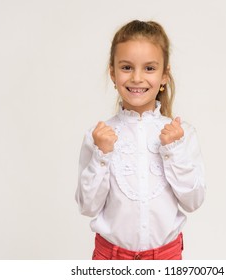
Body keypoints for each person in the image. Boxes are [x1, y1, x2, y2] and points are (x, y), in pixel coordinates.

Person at [75, 20, 206, 260]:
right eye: (126, 67)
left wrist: (173, 151)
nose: (137, 78)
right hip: (110, 259)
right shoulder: (99, 135)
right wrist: (101, 156)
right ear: (112, 73)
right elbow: (87, 207)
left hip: (165, 258)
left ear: (164, 75)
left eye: (149, 68)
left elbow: (193, 201)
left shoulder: (181, 134)